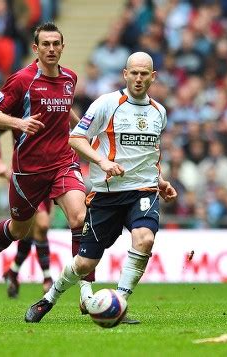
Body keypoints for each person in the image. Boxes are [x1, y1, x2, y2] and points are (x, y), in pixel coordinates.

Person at [25, 52, 177, 323]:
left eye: (145, 74)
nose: (139, 78)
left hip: (143, 190)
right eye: (134, 73)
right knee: (85, 264)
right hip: (106, 194)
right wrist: (102, 161)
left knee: (145, 239)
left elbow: (150, 154)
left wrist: (161, 181)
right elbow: (76, 138)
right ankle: (49, 299)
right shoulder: (106, 104)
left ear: (153, 77)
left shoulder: (159, 112)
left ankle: (119, 303)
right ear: (125, 74)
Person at [0, 22, 95, 305]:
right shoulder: (22, 80)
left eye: (56, 44)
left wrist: (83, 132)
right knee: (20, 230)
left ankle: (87, 292)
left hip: (63, 163)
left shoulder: (70, 78)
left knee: (80, 218)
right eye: (46, 44)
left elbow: (64, 110)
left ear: (62, 47)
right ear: (36, 48)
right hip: (28, 171)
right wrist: (19, 122)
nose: (52, 49)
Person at [0, 128, 53, 297]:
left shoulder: (53, 106)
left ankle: (13, 273)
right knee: (42, 224)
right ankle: (47, 279)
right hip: (25, 177)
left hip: (48, 175)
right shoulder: (20, 108)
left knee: (31, 231)